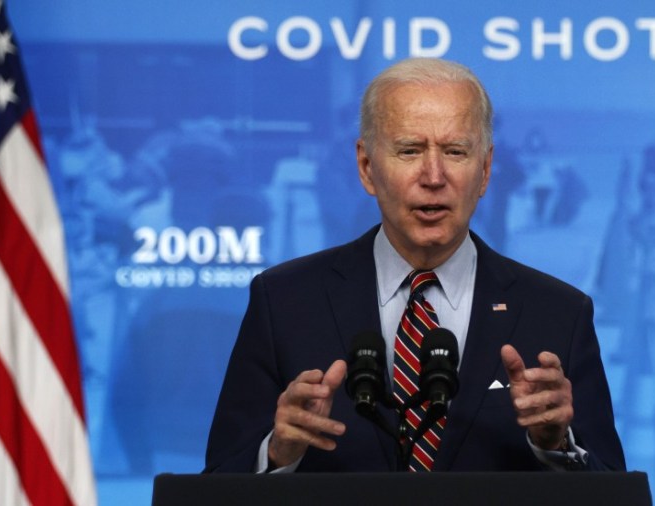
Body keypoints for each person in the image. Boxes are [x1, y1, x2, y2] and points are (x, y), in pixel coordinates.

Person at [204, 58, 625, 473]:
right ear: (367, 167)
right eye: (409, 150)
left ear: (485, 170)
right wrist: (278, 453)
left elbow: (613, 491)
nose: (433, 176)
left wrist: (556, 446)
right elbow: (217, 484)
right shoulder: (283, 301)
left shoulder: (559, 314)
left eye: (456, 151)